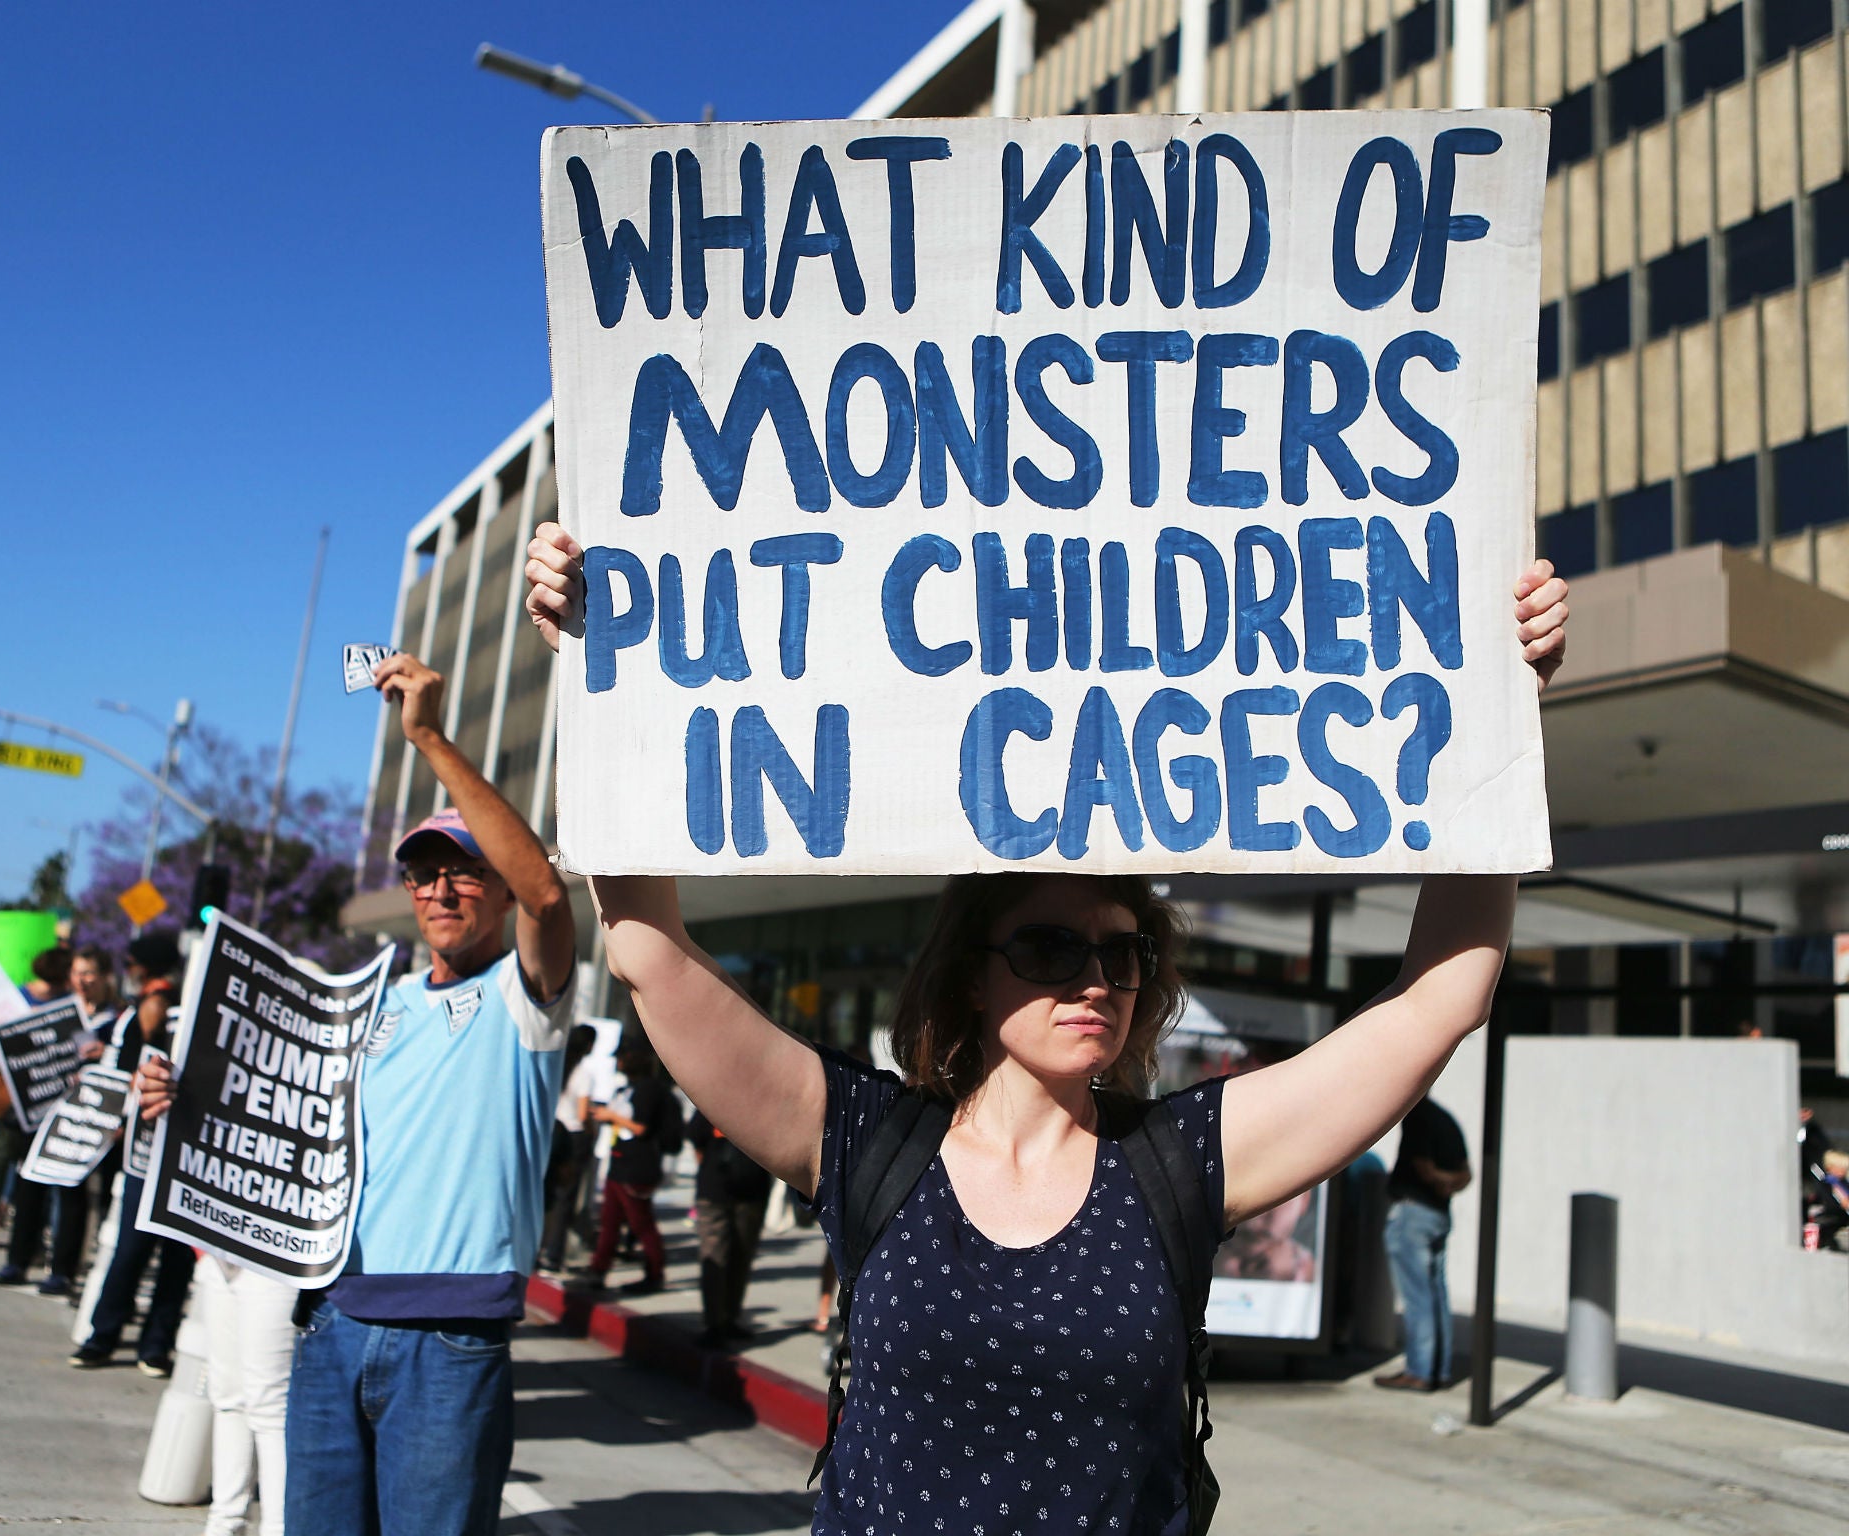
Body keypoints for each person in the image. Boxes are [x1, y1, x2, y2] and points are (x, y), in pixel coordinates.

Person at [526, 523, 1567, 1531]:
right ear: (970, 976)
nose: (1095, 980)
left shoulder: (1178, 1162)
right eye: (1049, 950)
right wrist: (594, 661)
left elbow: (1440, 997)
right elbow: (649, 953)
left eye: (1122, 954)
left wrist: (1501, 708)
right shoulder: (865, 1145)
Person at [142, 649, 576, 1536]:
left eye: (463, 871)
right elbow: (282, 1120)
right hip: (330, 1321)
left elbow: (545, 888)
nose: (441, 889)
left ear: (495, 889)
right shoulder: (366, 1005)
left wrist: (427, 737)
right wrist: (181, 1100)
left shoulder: (523, 1000)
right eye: (423, 873)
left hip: (450, 1342)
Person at [70, 930, 191, 1375]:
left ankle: (119, 1339)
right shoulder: (146, 1013)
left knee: (148, 1250)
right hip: (155, 1152)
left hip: (164, 1153)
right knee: (145, 1250)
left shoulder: (176, 1012)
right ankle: (136, 1342)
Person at [0, 946, 123, 1293]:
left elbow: (129, 1065)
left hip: (85, 1118)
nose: (83, 980)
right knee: (29, 1184)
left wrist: (106, 1056)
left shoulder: (117, 1019)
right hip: (43, 1113)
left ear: (104, 976)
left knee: (71, 1192)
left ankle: (62, 1271)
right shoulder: (57, 1011)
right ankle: (17, 1261)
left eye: (90, 972)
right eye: (77, 973)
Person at [0, 944, 73, 1248]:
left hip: (44, 1091)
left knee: (16, 1157)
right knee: (3, 1151)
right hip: (15, 1089)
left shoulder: (67, 1003)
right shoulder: (17, 998)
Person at [1373, 1096, 1470, 1391]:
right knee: (1436, 1295)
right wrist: (1448, 1183)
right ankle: (1437, 1370)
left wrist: (1438, 1179)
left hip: (1413, 1213)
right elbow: (1466, 1175)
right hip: (1439, 1215)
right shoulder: (1447, 1118)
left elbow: (1424, 1168)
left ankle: (1419, 1371)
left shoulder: (1417, 1116)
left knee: (1418, 1297)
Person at [196, 1253, 297, 1536]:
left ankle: (277, 1528)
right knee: (227, 1398)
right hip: (221, 1254)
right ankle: (224, 1523)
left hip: (277, 1259)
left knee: (270, 1408)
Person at [578, 1042, 678, 1295]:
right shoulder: (628, 1089)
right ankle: (597, 1270)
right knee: (609, 1223)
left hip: (637, 1169)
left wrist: (610, 1116)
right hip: (620, 1164)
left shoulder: (648, 1091)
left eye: (622, 1058)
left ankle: (655, 1274)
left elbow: (641, 1127)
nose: (618, 1063)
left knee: (642, 1225)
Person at [686, 1106, 774, 1348]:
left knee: (740, 1256)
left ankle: (728, 1318)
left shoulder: (765, 1101)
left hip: (750, 1190)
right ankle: (714, 1322)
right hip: (716, 1190)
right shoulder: (713, 1095)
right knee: (715, 1255)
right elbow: (696, 1137)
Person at [538, 1023, 601, 1276]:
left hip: (551, 1132)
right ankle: (554, 1254)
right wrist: (592, 1130)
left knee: (544, 1194)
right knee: (566, 1198)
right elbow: (583, 1113)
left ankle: (535, 1248)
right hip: (573, 1137)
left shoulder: (557, 1065)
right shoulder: (584, 1074)